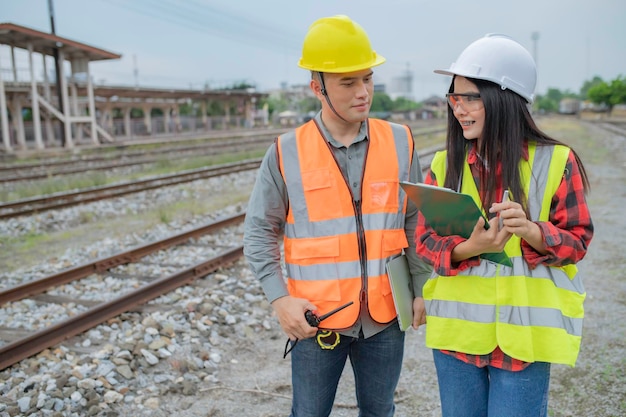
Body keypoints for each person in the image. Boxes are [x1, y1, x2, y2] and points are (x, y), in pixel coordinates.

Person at [243, 14, 432, 417]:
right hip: (317, 321)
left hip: (384, 316)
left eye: (367, 78)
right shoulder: (286, 152)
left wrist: (420, 285)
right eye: (349, 82)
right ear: (317, 88)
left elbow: (414, 218)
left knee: (380, 411)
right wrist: (280, 301)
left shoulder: (401, 141)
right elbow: (259, 231)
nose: (363, 92)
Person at [415, 34, 594, 417]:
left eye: (469, 98)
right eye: (454, 98)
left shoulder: (556, 161)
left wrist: (532, 231)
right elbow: (424, 242)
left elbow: (577, 241)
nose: (458, 109)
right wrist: (470, 248)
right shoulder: (444, 165)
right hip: (458, 340)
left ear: (504, 99)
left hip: (522, 339)